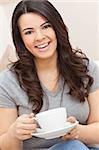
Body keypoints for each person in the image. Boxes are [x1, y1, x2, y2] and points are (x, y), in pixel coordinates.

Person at [0, 0, 99, 150]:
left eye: (46, 27)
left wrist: (77, 131)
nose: (39, 37)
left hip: (83, 147)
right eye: (29, 32)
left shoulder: (86, 68)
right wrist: (13, 134)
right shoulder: (8, 81)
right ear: (20, 39)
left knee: (73, 146)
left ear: (57, 28)